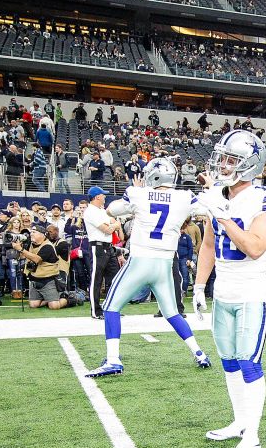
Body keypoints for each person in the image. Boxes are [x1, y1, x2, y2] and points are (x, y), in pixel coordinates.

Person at [190, 129, 266, 448]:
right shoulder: (218, 193)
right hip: (224, 292)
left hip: (250, 292)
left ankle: (253, 437)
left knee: (248, 361)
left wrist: (224, 215)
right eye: (224, 157)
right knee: (228, 361)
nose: (223, 164)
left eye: (231, 159)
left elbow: (255, 247)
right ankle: (240, 421)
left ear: (249, 164)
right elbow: (209, 245)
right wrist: (200, 286)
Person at [84, 160, 212, 378]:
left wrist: (139, 196)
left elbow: (110, 210)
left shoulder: (137, 193)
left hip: (141, 260)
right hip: (164, 263)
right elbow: (208, 207)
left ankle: (113, 360)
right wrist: (210, 186)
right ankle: (199, 353)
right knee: (172, 313)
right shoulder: (184, 197)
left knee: (111, 307)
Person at [83, 186, 121, 319]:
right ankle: (96, 311)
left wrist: (114, 225)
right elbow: (108, 229)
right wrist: (116, 225)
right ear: (97, 196)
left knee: (115, 278)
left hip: (108, 246)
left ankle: (111, 308)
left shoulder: (101, 211)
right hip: (97, 246)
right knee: (96, 279)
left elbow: (112, 224)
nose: (105, 197)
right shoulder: (90, 211)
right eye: (103, 195)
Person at [16, 227, 69, 310]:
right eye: (31, 232)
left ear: (43, 235)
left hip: (48, 280)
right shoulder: (31, 244)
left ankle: (71, 298)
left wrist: (21, 249)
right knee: (33, 305)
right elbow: (23, 256)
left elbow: (37, 259)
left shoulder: (48, 246)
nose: (31, 234)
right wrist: (18, 247)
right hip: (35, 279)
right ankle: (49, 298)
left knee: (54, 306)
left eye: (34, 232)